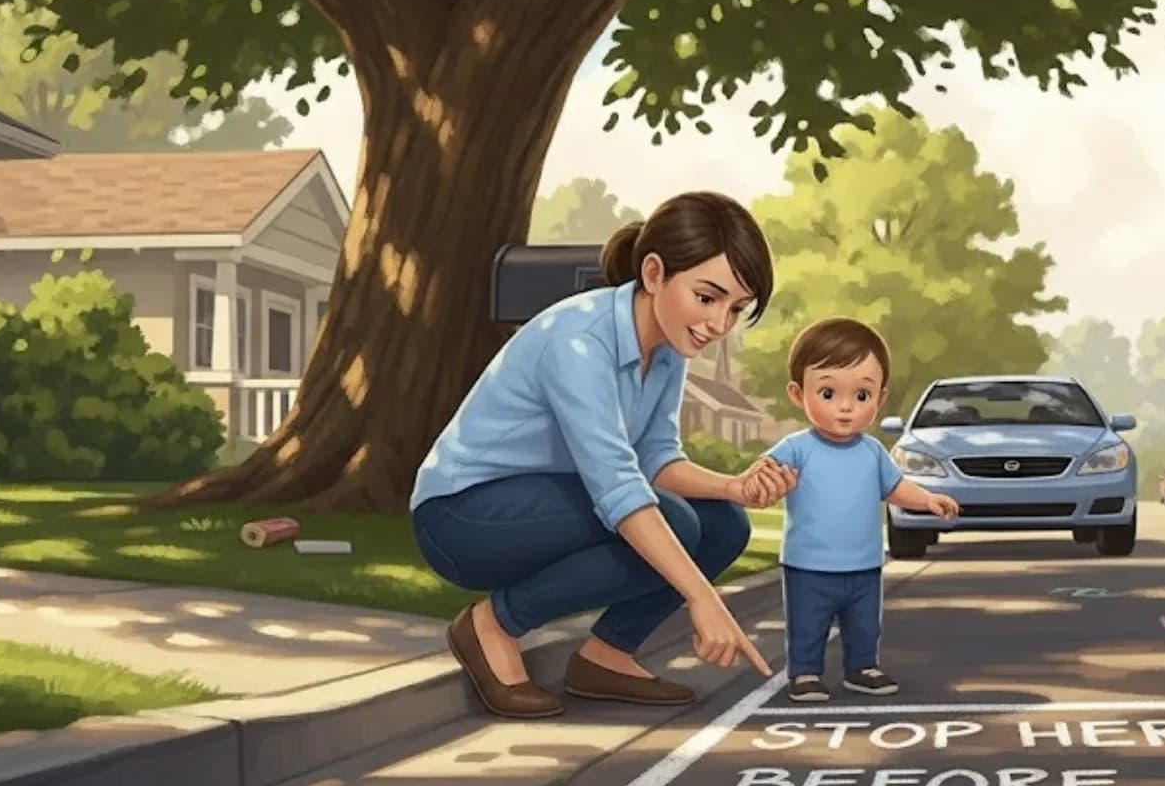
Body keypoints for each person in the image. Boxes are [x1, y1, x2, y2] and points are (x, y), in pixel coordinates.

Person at [410, 191, 797, 719]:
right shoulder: (579, 340)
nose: (718, 325)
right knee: (676, 524)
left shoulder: (666, 348)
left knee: (723, 523)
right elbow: (619, 487)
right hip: (464, 515)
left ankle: (607, 656)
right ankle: (493, 625)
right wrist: (702, 598)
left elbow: (656, 460)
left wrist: (733, 488)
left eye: (735, 309)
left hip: (549, 506)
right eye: (707, 298)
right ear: (655, 273)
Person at [763, 317, 960, 703]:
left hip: (864, 565)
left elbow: (895, 487)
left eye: (861, 396)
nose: (845, 408)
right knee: (807, 623)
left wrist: (927, 500)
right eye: (828, 393)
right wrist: (758, 482)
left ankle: (862, 667)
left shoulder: (872, 452)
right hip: (809, 566)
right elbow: (764, 473)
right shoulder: (795, 448)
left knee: (864, 623)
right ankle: (805, 672)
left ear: (880, 398)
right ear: (797, 393)